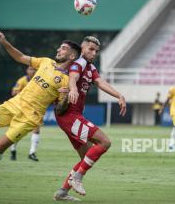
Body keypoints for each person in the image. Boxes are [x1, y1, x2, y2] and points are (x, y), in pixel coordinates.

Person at [0, 31, 81, 188]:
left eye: (63, 48)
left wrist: (64, 98)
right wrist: (4, 41)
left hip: (30, 117)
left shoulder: (67, 80)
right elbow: (20, 57)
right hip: (14, 104)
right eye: (59, 47)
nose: (58, 50)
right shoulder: (46, 62)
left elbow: (60, 110)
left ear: (71, 56)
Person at [53, 36, 127, 201]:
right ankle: (77, 178)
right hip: (69, 115)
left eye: (96, 51)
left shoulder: (90, 67)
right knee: (105, 142)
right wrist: (72, 89)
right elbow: (73, 77)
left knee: (87, 155)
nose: (93, 53)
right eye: (90, 49)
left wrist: (119, 95)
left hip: (73, 115)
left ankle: (62, 192)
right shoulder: (78, 63)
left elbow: (100, 83)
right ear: (82, 48)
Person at [9, 66, 41, 162]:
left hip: (35, 109)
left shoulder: (40, 81)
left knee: (37, 128)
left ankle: (32, 152)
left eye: (35, 69)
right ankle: (13, 149)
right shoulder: (22, 80)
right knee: (19, 130)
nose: (33, 71)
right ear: (27, 71)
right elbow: (13, 93)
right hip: (22, 108)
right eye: (31, 69)